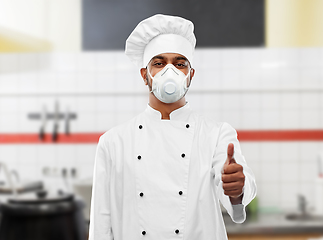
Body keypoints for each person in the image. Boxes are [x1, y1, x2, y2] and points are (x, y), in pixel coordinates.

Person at [89, 14, 257, 240]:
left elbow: (237, 192)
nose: (171, 71)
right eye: (159, 63)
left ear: (190, 75)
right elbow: (100, 223)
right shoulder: (113, 142)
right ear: (144, 75)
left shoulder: (216, 134)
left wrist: (237, 189)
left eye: (180, 64)